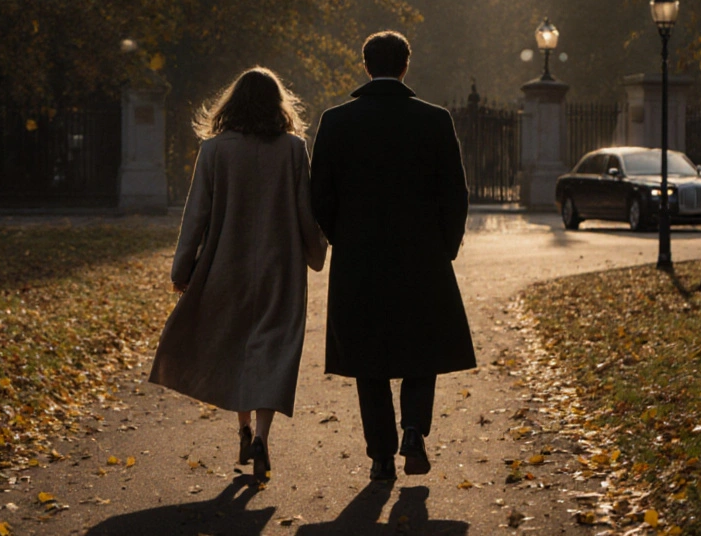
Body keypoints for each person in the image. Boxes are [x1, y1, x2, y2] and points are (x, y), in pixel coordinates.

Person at [310, 31, 475, 481]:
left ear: (366, 66)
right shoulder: (435, 120)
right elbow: (455, 193)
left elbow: (319, 194)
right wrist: (446, 246)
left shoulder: (336, 122)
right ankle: (415, 431)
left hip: (360, 256)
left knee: (369, 358)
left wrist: (341, 236)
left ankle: (380, 456)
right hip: (422, 255)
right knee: (422, 350)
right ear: (406, 66)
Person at [149, 66, 327, 481]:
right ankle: (263, 435)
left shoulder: (215, 152)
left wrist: (182, 269)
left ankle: (243, 429)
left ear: (232, 103)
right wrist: (316, 251)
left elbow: (196, 216)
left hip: (225, 265)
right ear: (277, 104)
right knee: (273, 348)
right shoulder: (293, 149)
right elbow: (306, 211)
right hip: (280, 265)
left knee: (234, 343)